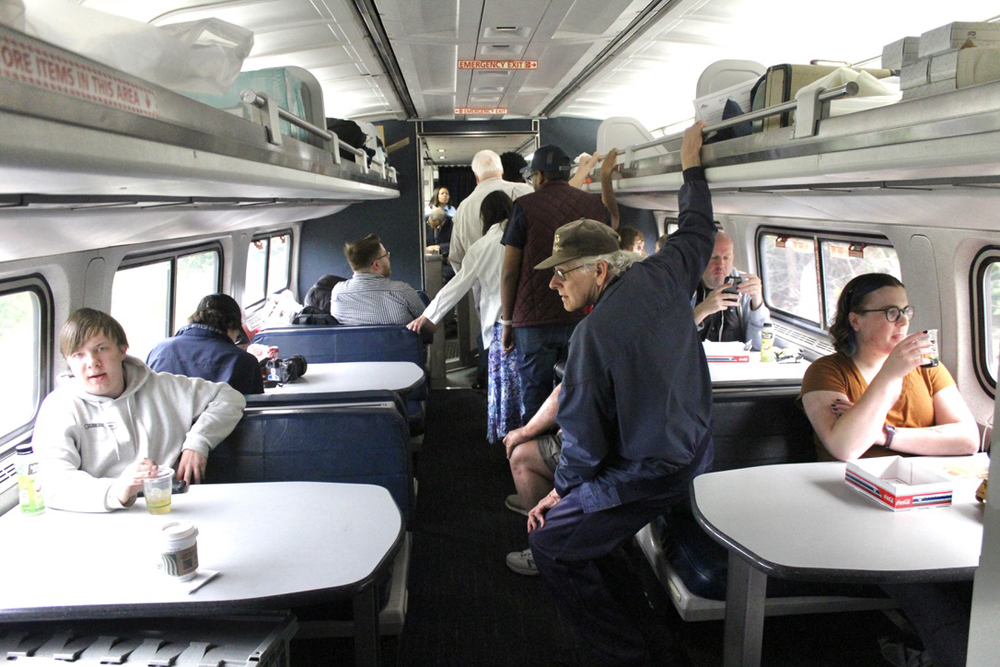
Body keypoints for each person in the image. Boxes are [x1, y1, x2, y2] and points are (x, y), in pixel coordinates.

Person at [525, 123, 716, 665]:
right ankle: (650, 636)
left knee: (550, 543)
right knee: (589, 537)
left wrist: (559, 493)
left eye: (562, 275)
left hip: (649, 469)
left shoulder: (593, 335)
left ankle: (625, 653)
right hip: (695, 448)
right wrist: (692, 170)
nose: (553, 284)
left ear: (600, 269)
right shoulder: (665, 272)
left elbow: (583, 438)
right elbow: (698, 228)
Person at [798, 272, 979, 667]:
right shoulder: (828, 373)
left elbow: (967, 438)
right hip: (861, 513)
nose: (903, 322)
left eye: (906, 311)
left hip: (931, 501)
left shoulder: (929, 370)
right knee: (930, 592)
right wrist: (891, 374)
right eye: (891, 312)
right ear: (856, 320)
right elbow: (846, 447)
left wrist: (887, 433)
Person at [33, 308, 246, 513]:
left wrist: (198, 442)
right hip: (97, 513)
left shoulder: (163, 387)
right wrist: (117, 490)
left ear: (122, 349)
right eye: (78, 355)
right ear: (68, 362)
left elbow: (229, 397)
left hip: (171, 506)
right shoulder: (59, 407)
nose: (92, 363)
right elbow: (53, 482)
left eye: (101, 349)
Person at [499, 147, 618, 422]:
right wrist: (608, 179)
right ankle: (569, 454)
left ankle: (533, 456)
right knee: (578, 393)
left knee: (536, 396)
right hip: (583, 315)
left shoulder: (524, 207)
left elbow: (509, 271)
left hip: (533, 320)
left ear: (539, 175)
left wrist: (507, 322)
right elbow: (614, 228)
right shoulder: (593, 206)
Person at [408, 191, 521, 444]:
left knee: (503, 384)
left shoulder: (482, 246)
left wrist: (429, 317)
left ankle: (505, 435)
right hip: (528, 322)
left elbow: (457, 285)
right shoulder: (527, 237)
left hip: (499, 323)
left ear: (486, 217)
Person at [147, 293, 264, 395]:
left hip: (164, 420)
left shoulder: (158, 350)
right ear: (231, 326)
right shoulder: (242, 360)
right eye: (237, 337)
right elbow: (252, 414)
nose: (235, 341)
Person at [503, 381, 561, 575]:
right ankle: (529, 491)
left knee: (520, 455)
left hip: (603, 450)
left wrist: (526, 431)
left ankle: (545, 549)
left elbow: (567, 389)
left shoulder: (596, 351)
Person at [450, 150, 533, 274]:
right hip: (525, 283)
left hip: (482, 287)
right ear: (501, 171)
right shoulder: (527, 192)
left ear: (476, 177)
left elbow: (457, 257)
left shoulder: (463, 208)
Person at [691, 230, 770, 349]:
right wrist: (702, 310)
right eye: (714, 258)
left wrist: (757, 302)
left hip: (736, 363)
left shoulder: (744, 286)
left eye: (726, 258)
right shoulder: (684, 286)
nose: (721, 264)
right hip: (695, 362)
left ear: (733, 258)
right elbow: (672, 337)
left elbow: (760, 346)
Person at [331, 233, 425, 326]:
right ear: (376, 265)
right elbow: (429, 326)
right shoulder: (402, 291)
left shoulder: (338, 292)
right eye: (386, 255)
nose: (388, 258)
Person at [426, 207, 454, 281]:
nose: (432, 227)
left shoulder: (452, 224)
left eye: (436, 226)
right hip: (428, 259)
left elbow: (455, 244)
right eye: (430, 224)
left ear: (443, 222)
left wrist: (439, 247)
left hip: (446, 259)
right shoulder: (424, 221)